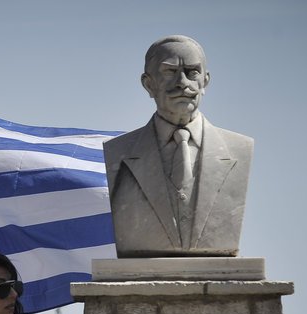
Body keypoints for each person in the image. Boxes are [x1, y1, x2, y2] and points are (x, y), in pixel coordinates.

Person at [103, 34, 254, 257]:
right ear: (148, 84)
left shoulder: (239, 148)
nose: (182, 82)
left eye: (192, 72)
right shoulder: (118, 152)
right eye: (170, 72)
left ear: (205, 81)